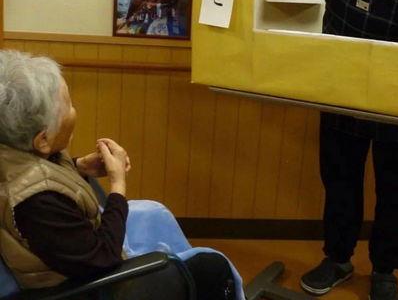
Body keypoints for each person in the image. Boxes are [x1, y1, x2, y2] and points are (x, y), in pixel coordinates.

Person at [267, 0, 398, 300]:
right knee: (340, 183)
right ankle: (337, 259)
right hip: (341, 89)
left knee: (397, 193)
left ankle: (385, 270)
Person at [0, 50, 243, 300]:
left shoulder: (13, 147)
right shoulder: (36, 203)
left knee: (155, 213)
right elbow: (103, 257)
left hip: (74, 253)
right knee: (211, 267)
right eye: (69, 106)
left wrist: (79, 166)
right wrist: (118, 187)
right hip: (84, 288)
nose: (75, 110)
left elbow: (39, 177)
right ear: (43, 139)